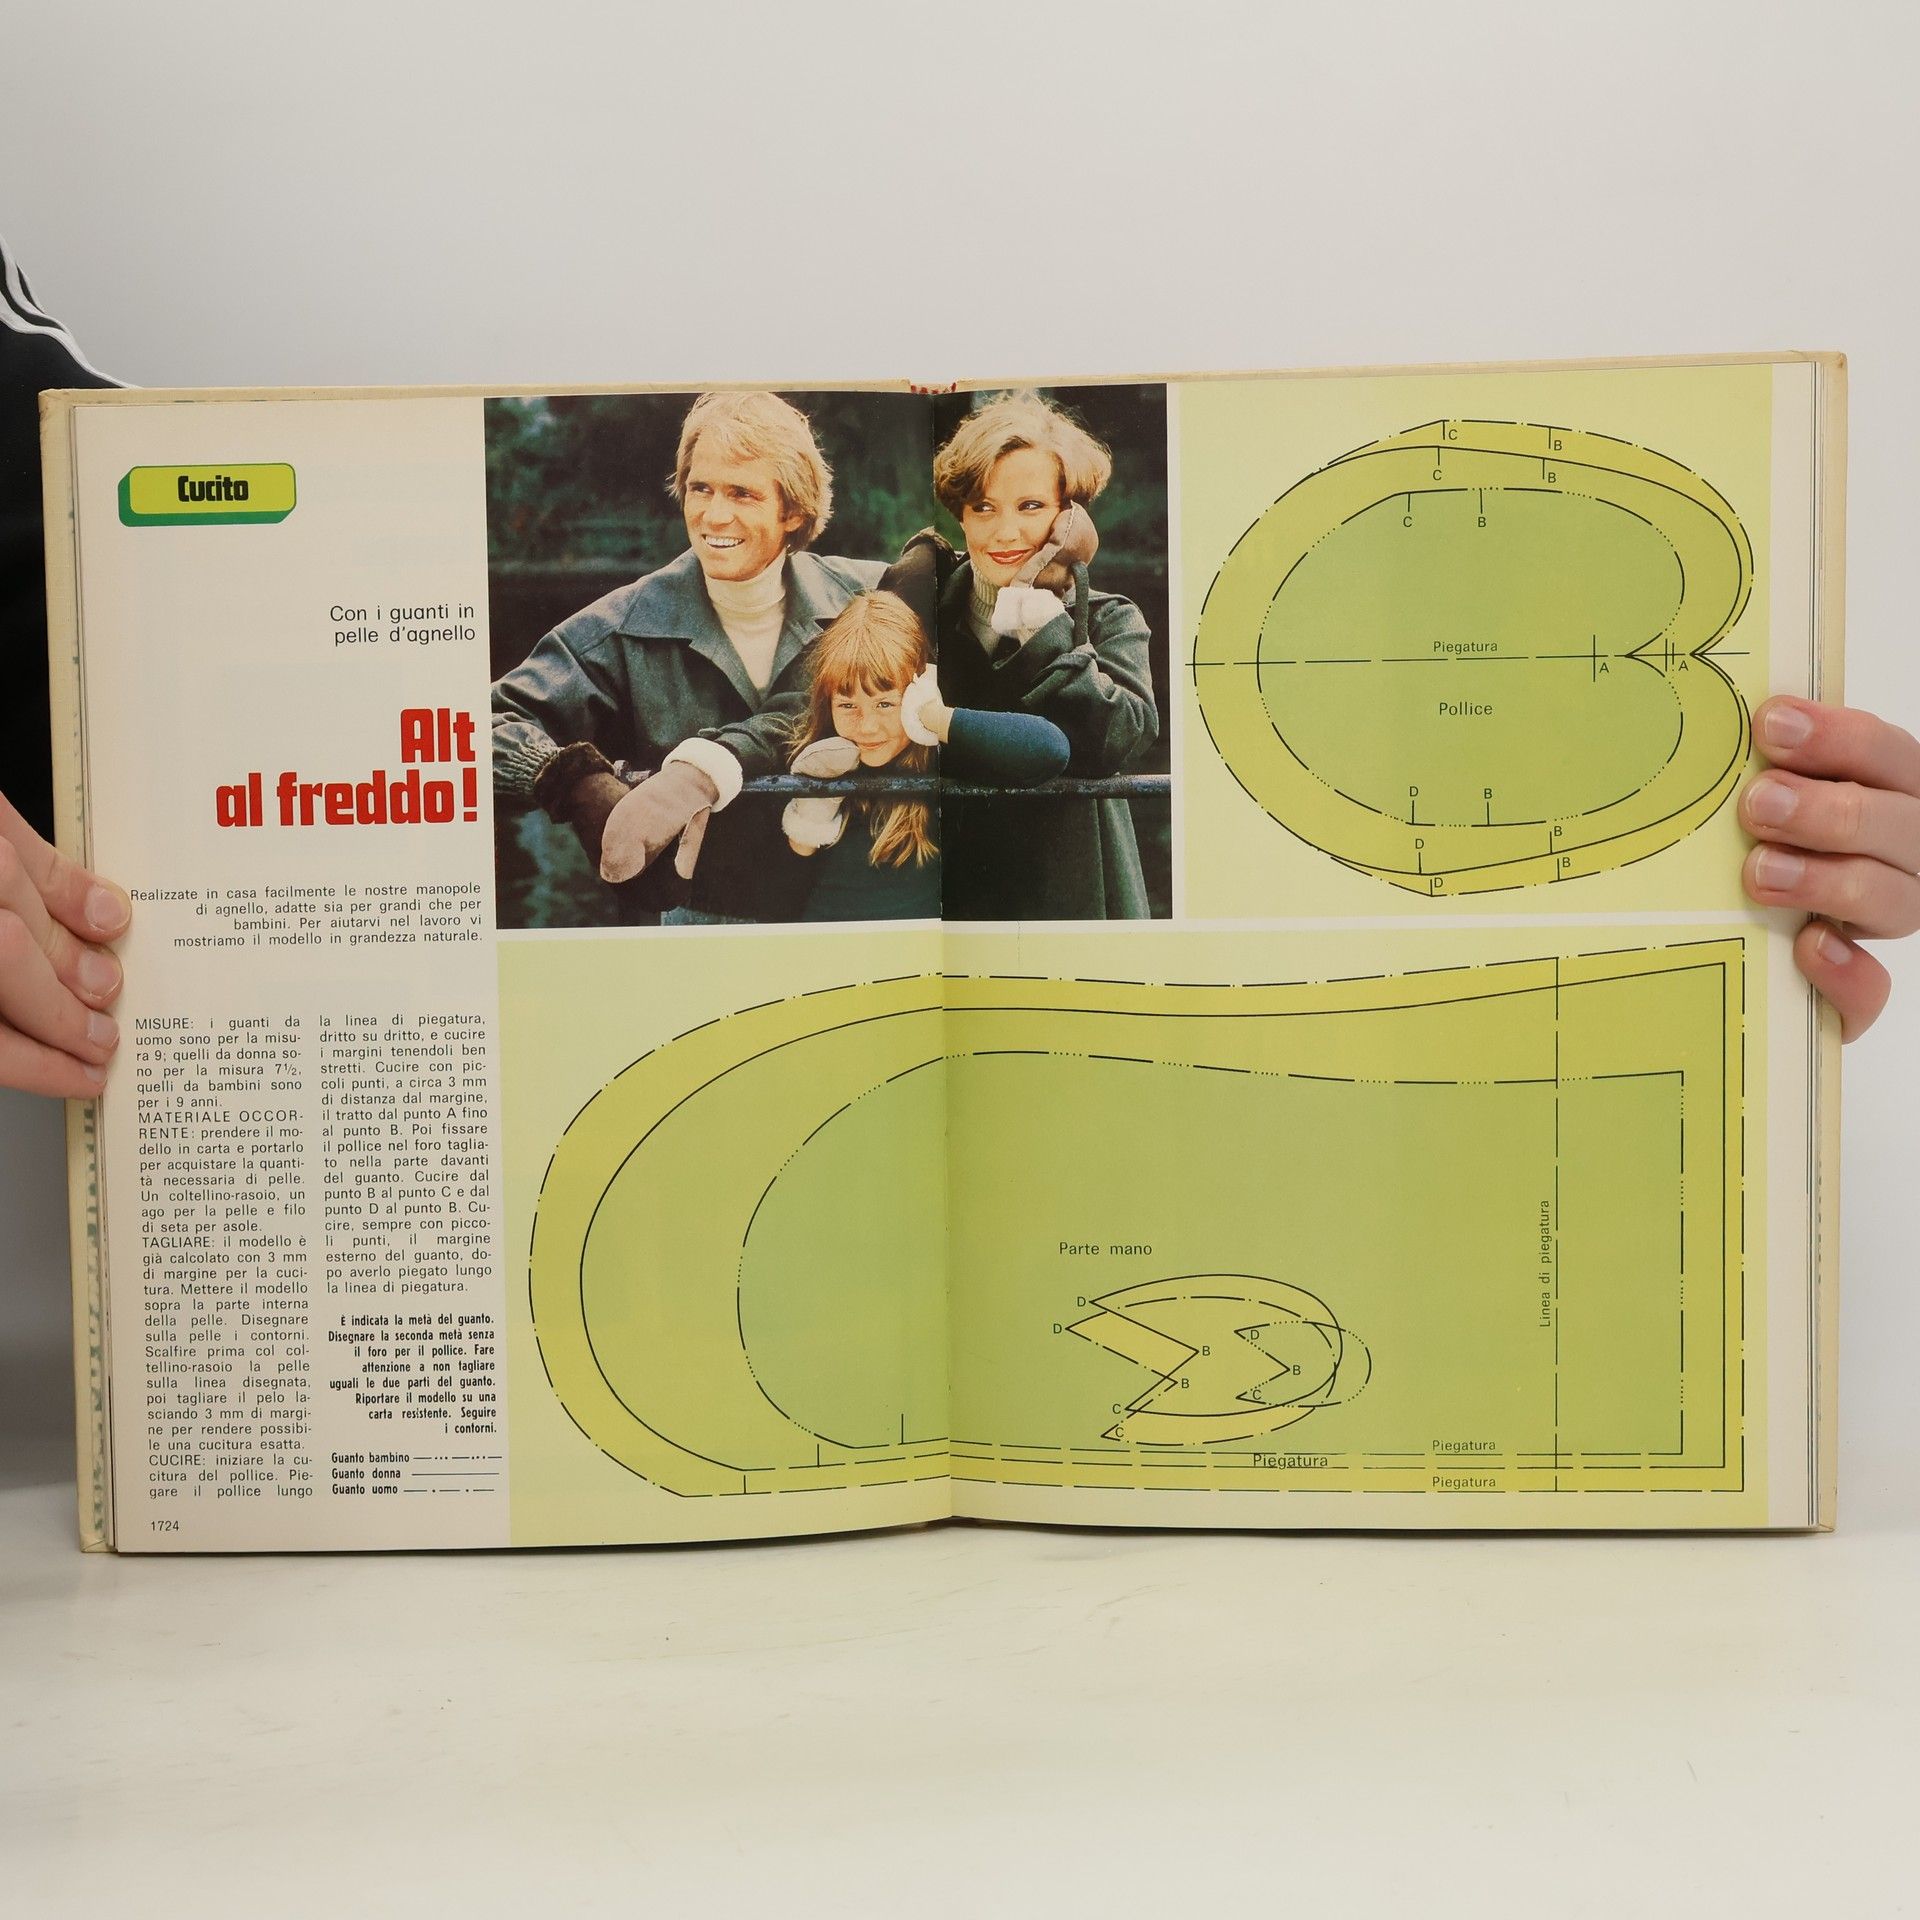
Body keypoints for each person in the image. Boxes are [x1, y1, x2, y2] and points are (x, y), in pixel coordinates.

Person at [490, 389, 886, 925]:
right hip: (697, 923)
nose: (714, 516)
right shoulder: (622, 625)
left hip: (858, 911)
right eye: (701, 489)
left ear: (793, 511)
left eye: (742, 494)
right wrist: (570, 780)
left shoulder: (872, 598)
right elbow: (475, 727)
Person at [929, 391, 1161, 920]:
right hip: (963, 891)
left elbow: (1120, 739)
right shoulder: (928, 612)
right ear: (961, 517)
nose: (1004, 532)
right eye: (983, 507)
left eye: (1030, 507)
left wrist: (1048, 632)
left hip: (1075, 892)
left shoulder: (1109, 618)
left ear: (1069, 519)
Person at [779, 591, 1070, 921]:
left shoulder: (938, 754)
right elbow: (780, 890)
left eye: (885, 704)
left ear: (916, 692)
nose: (867, 726)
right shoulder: (817, 753)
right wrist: (812, 808)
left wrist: (933, 716)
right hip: (829, 939)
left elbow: (1051, 749)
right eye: (847, 705)